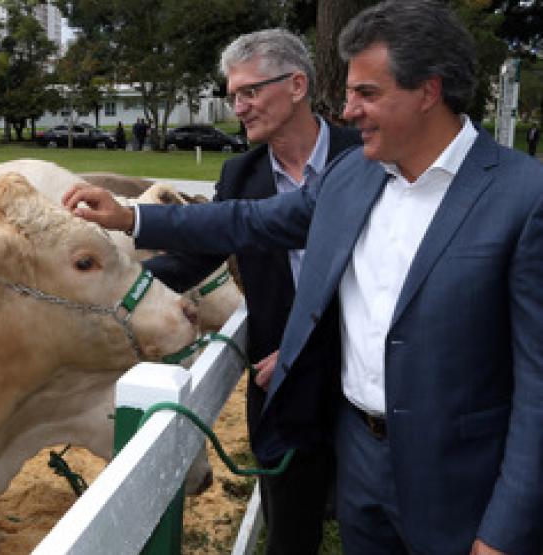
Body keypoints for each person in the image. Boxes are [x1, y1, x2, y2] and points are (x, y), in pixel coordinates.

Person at [63, 2, 543, 554]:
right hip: (359, 456)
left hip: (459, 478)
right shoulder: (354, 174)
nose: (348, 110)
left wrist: (504, 531)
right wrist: (131, 215)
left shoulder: (524, 199)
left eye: (366, 93)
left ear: (428, 91)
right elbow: (248, 219)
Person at [136, 28, 359, 555]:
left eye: (250, 91)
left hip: (364, 384)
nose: (238, 106)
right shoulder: (240, 173)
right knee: (289, 531)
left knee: (374, 525)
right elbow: (198, 256)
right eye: (233, 94)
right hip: (282, 389)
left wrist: (311, 348)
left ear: (297, 84)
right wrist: (121, 289)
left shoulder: (366, 158)